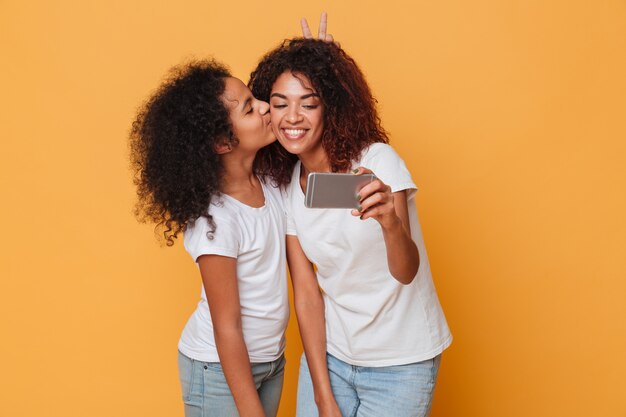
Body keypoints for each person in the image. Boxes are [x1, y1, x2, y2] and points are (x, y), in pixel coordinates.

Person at [250, 38, 453, 417]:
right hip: (333, 358)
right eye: (280, 104)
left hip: (401, 361)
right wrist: (324, 397)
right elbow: (308, 296)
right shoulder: (288, 183)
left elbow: (407, 272)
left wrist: (390, 222)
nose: (292, 117)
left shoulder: (377, 161)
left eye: (309, 103)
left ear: (331, 107)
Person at [129, 60, 288, 417]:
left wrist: (319, 67)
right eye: (250, 108)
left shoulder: (274, 183)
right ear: (221, 141)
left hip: (271, 362)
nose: (265, 107)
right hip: (217, 369)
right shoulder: (215, 221)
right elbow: (226, 325)